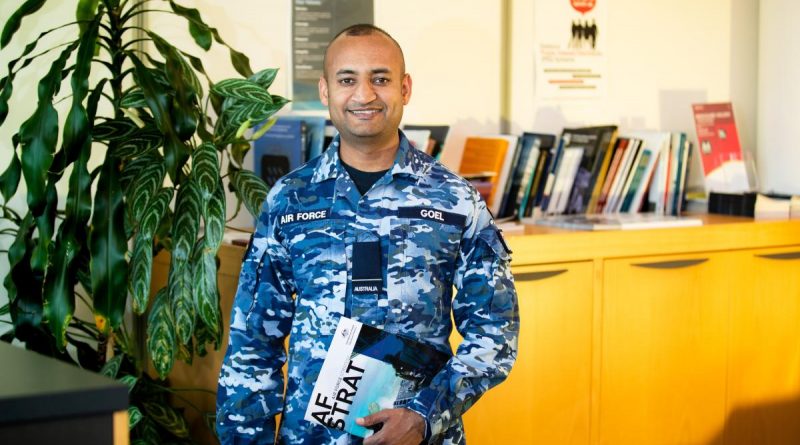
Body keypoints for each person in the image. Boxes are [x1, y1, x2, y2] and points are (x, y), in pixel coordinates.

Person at [216, 24, 519, 445]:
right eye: (347, 80)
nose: (364, 95)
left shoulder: (455, 200)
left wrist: (424, 416)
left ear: (405, 87)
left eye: (380, 78)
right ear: (325, 91)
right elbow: (253, 342)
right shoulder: (290, 200)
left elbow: (494, 333)